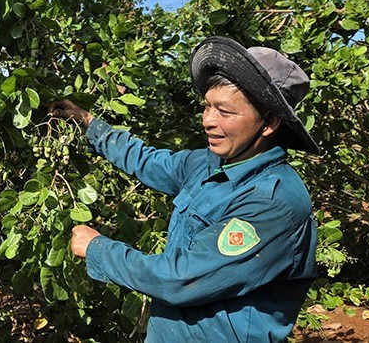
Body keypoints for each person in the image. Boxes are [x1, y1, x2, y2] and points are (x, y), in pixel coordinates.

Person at [48, 36, 320, 342]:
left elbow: (182, 279)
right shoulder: (207, 163)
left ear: (268, 122)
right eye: (207, 106)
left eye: (225, 112)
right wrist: (88, 122)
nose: (208, 120)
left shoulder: (273, 203)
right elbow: (147, 161)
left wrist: (99, 249)